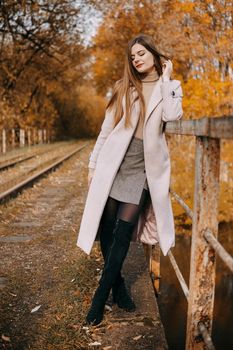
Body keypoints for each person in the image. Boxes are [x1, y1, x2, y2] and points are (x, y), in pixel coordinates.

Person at [77, 34, 183, 326]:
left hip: (144, 170)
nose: (136, 59)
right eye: (132, 56)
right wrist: (93, 164)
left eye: (141, 53)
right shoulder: (123, 88)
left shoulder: (170, 87)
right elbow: (106, 130)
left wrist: (167, 78)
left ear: (153, 54)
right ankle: (119, 285)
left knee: (123, 234)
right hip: (116, 164)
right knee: (108, 229)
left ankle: (100, 297)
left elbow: (173, 116)